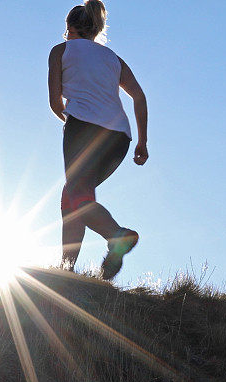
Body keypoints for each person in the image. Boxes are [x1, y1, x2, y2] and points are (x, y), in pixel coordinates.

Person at [47, 0, 148, 280]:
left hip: (83, 129)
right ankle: (67, 269)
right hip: (119, 138)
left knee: (76, 194)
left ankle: (117, 236)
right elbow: (139, 97)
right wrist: (143, 142)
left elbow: (55, 102)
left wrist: (70, 121)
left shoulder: (61, 51)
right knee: (74, 194)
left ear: (69, 28)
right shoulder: (114, 58)